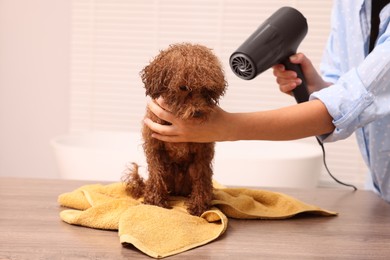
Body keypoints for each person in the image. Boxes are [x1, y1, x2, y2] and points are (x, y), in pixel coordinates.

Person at [143, 0, 390, 202]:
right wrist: (317, 87)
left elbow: (345, 105)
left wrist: (226, 127)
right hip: (378, 188)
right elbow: (346, 90)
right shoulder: (348, 4)